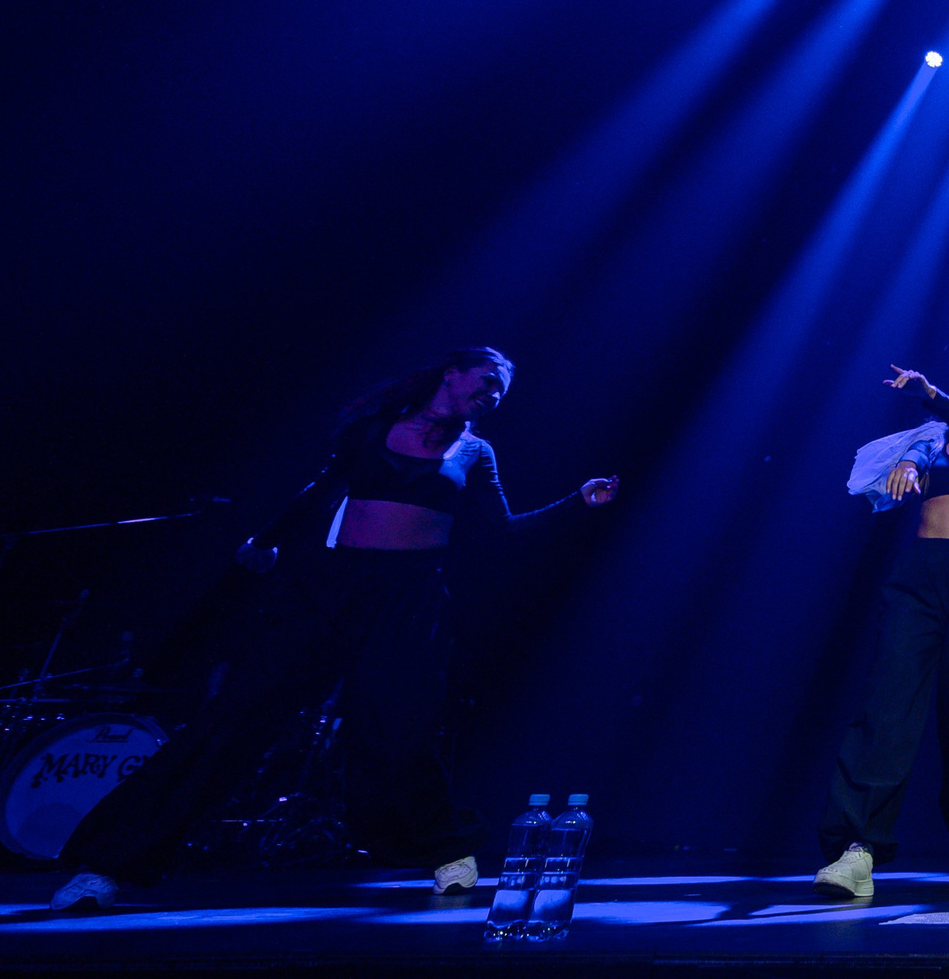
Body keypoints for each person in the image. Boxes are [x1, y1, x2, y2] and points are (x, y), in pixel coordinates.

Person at [50, 348, 618, 909]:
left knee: (399, 731)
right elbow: (320, 490)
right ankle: (108, 865)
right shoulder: (373, 429)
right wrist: (267, 538)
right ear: (452, 374)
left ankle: (446, 852)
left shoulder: (474, 452)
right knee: (234, 717)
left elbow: (503, 532)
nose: (492, 395)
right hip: (329, 589)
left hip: (408, 600)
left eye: (500, 392)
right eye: (487, 380)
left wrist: (578, 502)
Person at [813, 368, 949, 899]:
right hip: (922, 575)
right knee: (887, 702)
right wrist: (912, 455)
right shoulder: (926, 446)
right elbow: (882, 468)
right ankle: (858, 848)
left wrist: (933, 397)